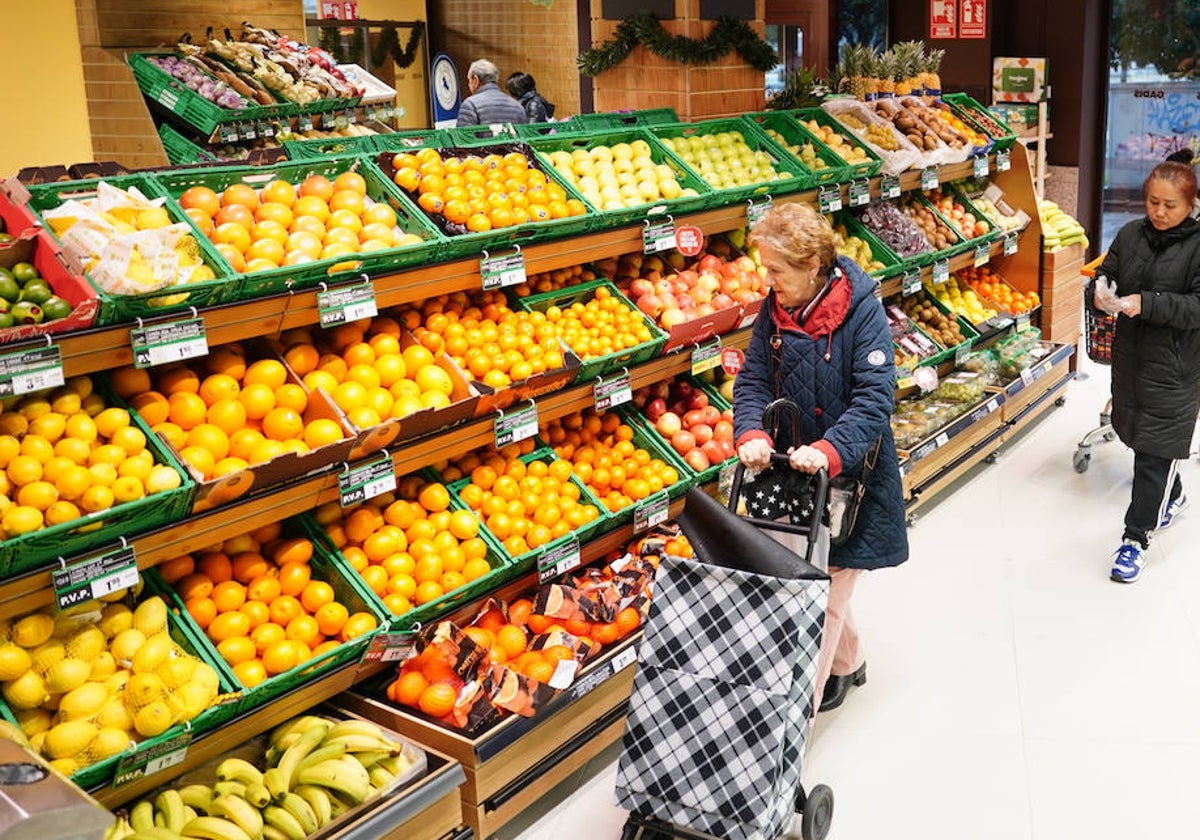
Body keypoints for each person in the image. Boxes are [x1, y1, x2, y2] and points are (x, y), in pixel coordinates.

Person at [733, 203, 909, 713]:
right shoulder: (775, 308)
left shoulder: (862, 310)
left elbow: (875, 397)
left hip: (852, 477)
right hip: (793, 476)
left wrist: (830, 450)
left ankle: (789, 728)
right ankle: (849, 664)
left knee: (820, 597)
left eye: (776, 270)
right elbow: (752, 380)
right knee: (818, 578)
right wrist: (749, 431)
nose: (768, 280)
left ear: (812, 265)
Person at [1091, 160, 1200, 583]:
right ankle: (1172, 496)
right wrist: (1100, 292)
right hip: (1132, 360)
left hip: (1175, 367)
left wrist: (1147, 303)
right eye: (1152, 201)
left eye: (1169, 205)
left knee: (1155, 453)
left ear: (1191, 204)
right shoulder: (1131, 235)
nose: (1158, 212)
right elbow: (1108, 273)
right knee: (1138, 437)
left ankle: (1135, 540)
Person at [456, 59, 528, 127]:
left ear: (475, 80)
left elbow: (462, 139)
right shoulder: (517, 106)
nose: (468, 85)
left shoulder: (470, 105)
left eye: (469, 81)